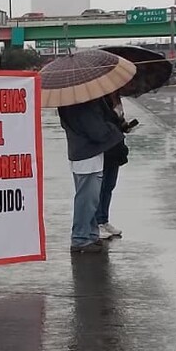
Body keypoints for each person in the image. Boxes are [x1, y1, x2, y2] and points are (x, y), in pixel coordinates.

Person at [58, 98, 124, 254]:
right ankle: (81, 238)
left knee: (88, 198)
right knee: (87, 200)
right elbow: (97, 132)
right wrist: (114, 125)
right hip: (88, 155)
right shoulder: (83, 103)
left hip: (81, 153)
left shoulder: (67, 100)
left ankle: (89, 235)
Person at [96, 92, 132, 239]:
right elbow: (103, 123)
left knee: (109, 186)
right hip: (104, 148)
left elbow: (116, 123)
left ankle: (104, 220)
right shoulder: (100, 99)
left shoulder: (115, 97)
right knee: (101, 186)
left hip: (116, 148)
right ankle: (97, 222)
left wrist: (124, 126)